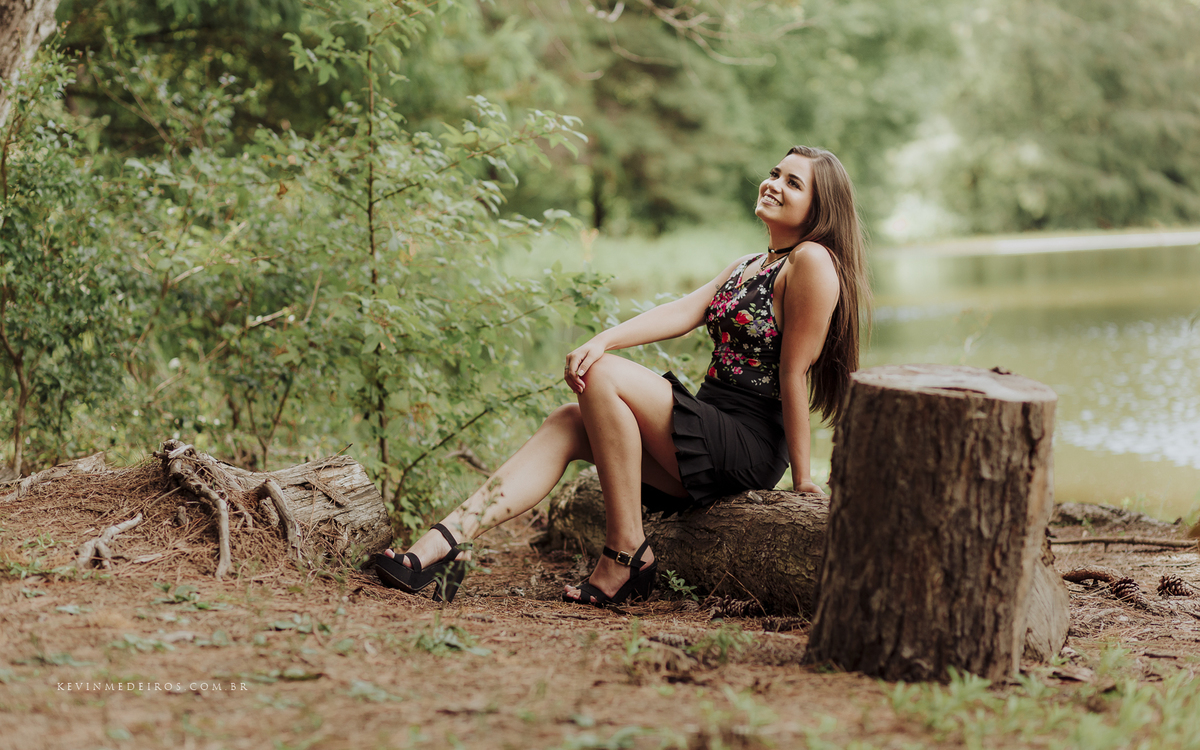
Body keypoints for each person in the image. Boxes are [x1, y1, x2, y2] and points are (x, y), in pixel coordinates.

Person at [373, 145, 871, 607]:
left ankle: (625, 552)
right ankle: (440, 544)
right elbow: (682, 311)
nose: (774, 184)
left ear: (819, 207)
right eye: (774, 173)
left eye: (794, 182)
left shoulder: (812, 261)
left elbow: (794, 372)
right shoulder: (748, 263)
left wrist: (804, 480)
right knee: (569, 421)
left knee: (602, 374)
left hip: (745, 444)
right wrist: (604, 338)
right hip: (706, 431)